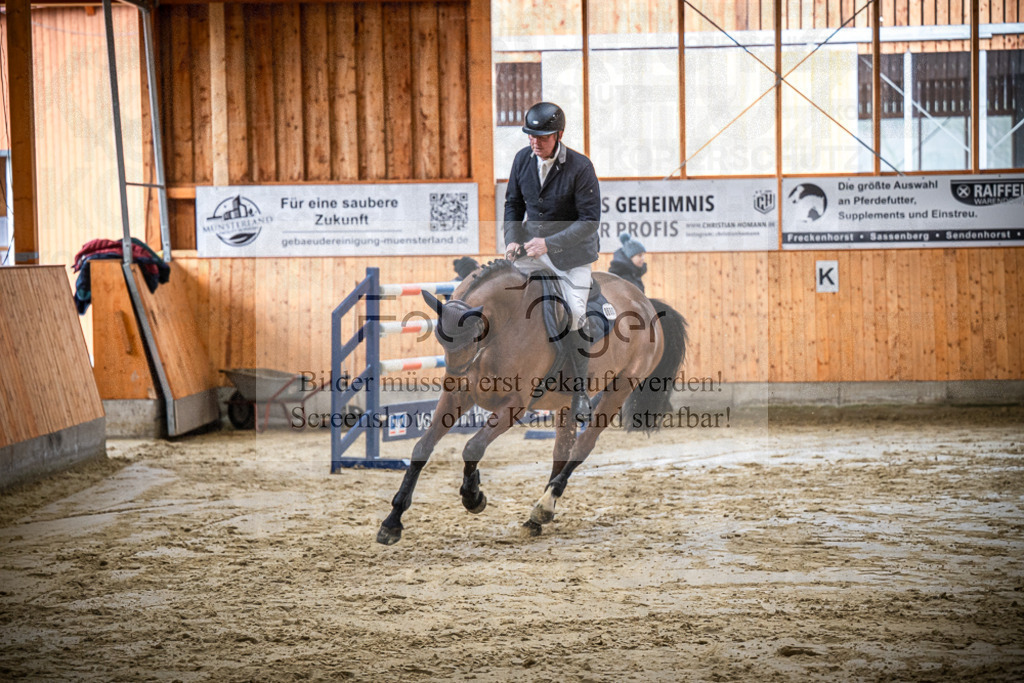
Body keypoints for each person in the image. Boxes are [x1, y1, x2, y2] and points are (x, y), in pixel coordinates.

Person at [503, 102, 601, 424]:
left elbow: (588, 221)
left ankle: (580, 392)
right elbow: (513, 206)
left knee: (573, 314)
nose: (535, 143)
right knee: (505, 297)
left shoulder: (580, 166)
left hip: (572, 257)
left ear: (558, 135)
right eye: (531, 136)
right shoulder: (522, 160)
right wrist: (512, 240)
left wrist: (549, 243)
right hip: (531, 252)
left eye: (542, 137)